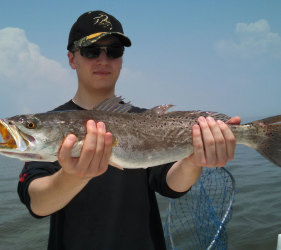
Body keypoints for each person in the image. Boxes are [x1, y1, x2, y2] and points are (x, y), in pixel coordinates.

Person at [17, 10, 240, 250]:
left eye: (114, 51)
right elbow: (37, 203)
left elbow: (171, 185)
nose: (103, 60)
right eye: (91, 51)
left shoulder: (145, 121)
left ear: (121, 59)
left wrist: (193, 160)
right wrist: (73, 176)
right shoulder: (53, 123)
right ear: (72, 59)